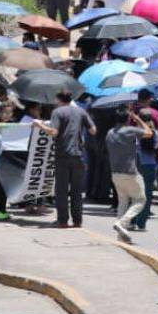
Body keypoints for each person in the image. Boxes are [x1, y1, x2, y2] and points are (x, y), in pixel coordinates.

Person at [38, 91, 96, 227]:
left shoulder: (57, 112)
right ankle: (77, 221)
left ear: (59, 99)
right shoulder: (81, 111)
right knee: (76, 191)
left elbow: (54, 132)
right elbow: (93, 130)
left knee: (62, 190)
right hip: (78, 155)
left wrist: (39, 125)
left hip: (62, 154)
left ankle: (63, 221)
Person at [105, 107, 154, 238]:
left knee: (123, 202)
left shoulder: (110, 133)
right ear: (128, 119)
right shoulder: (130, 130)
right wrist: (138, 119)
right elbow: (149, 133)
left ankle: (120, 235)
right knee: (140, 200)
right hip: (130, 172)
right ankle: (123, 222)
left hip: (115, 173)